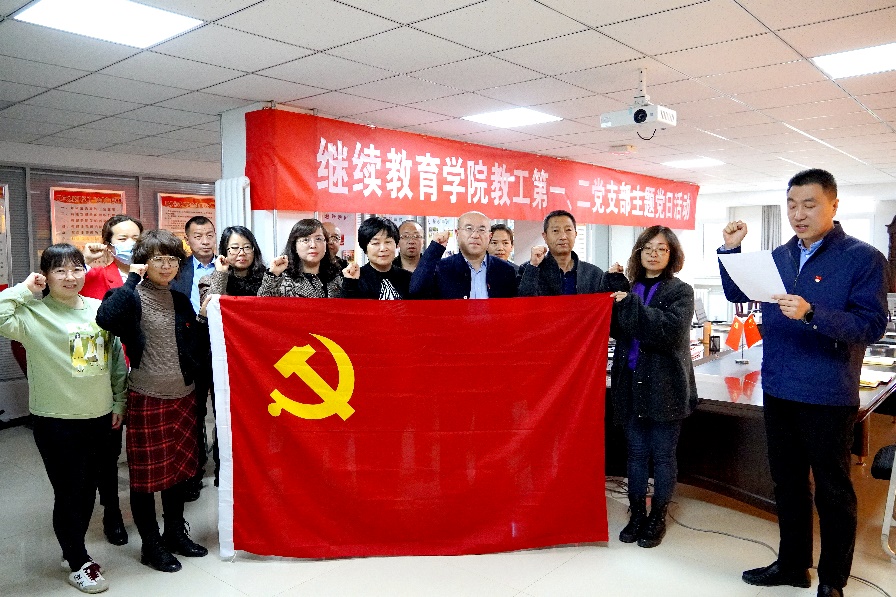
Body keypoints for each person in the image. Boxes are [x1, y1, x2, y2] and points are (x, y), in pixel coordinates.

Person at [718, 169, 888, 597]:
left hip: (828, 393)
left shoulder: (863, 258)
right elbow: (739, 294)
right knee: (787, 483)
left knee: (833, 490)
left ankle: (832, 579)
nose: (798, 214)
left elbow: (871, 326)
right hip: (778, 387)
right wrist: (731, 251)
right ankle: (793, 565)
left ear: (833, 205)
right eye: (792, 205)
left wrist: (813, 314)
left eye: (809, 205)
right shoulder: (779, 255)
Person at [0, 244, 127, 593]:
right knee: (71, 492)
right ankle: (78, 561)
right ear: (45, 276)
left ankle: (72, 548)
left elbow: (116, 360)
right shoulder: (32, 314)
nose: (70, 277)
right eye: (59, 270)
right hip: (56, 420)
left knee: (88, 491)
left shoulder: (99, 310)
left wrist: (119, 403)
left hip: (100, 416)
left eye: (76, 268)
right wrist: (24, 288)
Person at [97, 230, 209, 573]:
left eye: (172, 259)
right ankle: (151, 544)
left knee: (178, 473)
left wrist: (203, 319)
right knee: (146, 479)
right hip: (148, 397)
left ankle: (175, 533)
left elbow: (193, 346)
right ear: (144, 262)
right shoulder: (130, 297)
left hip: (183, 396)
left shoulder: (179, 300)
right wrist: (133, 278)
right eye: (157, 258)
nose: (166, 265)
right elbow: (106, 319)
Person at [609, 226, 697, 549]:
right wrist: (612, 287)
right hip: (630, 384)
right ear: (639, 252)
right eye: (647, 248)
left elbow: (668, 331)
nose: (654, 254)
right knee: (635, 454)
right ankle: (636, 514)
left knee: (662, 456)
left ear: (672, 254)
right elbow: (616, 328)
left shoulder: (680, 291)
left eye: (661, 248)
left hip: (666, 386)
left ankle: (658, 515)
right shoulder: (630, 287)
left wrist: (629, 302)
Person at [79, 214, 143, 547]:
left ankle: (147, 508)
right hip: (107, 372)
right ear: (108, 244)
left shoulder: (152, 276)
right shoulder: (93, 276)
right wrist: (83, 264)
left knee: (143, 445)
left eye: (136, 238)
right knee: (108, 449)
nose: (131, 244)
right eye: (123, 238)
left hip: (147, 371)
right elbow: (52, 296)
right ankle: (112, 511)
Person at [196, 225, 266, 486]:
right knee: (225, 415)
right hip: (224, 360)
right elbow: (209, 308)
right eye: (234, 248)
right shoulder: (210, 278)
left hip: (260, 360)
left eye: (247, 247)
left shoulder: (268, 277)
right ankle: (224, 470)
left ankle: (257, 469)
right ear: (224, 251)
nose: (241, 253)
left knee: (258, 417)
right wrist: (221, 275)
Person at [169, 216, 216, 499]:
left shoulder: (227, 264)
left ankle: (225, 466)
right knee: (194, 413)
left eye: (210, 234)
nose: (205, 241)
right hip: (191, 349)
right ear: (187, 240)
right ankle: (194, 470)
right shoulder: (178, 269)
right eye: (198, 236)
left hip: (224, 349)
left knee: (225, 410)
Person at [409, 211, 517, 299]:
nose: (475, 235)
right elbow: (416, 291)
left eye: (481, 230)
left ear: (489, 236)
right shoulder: (441, 268)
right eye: (469, 229)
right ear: (457, 234)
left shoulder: (506, 270)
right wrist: (434, 249)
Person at [518, 210, 627, 295]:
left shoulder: (594, 274)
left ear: (575, 234)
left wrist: (614, 278)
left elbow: (605, 307)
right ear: (545, 236)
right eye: (555, 231)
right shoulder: (528, 270)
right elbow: (523, 305)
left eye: (568, 230)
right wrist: (533, 267)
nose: (563, 236)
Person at [258, 218, 342, 298]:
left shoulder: (335, 276)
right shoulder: (281, 278)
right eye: (306, 240)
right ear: (294, 245)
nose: (313, 245)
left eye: (318, 239)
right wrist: (273, 274)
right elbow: (262, 303)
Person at [342, 217, 412, 299]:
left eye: (388, 242)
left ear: (396, 245)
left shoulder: (408, 278)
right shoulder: (355, 278)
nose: (383, 248)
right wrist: (350, 283)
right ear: (365, 248)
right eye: (375, 243)